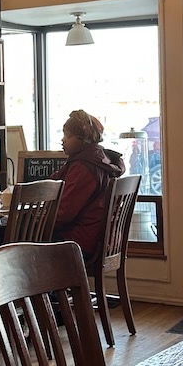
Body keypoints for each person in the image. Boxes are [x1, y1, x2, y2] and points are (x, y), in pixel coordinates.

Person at [52, 109, 125, 260]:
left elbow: (63, 214)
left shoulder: (84, 167)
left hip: (79, 242)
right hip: (102, 239)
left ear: (82, 139)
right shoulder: (101, 159)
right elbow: (55, 180)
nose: (63, 140)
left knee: (6, 238)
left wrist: (35, 217)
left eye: (68, 135)